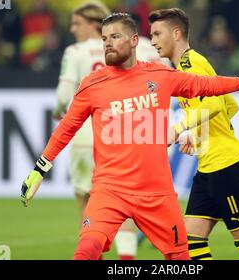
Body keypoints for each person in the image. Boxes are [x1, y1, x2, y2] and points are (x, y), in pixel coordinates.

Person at [21, 12, 239, 260]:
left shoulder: (159, 75)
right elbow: (66, 127)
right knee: (86, 250)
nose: (108, 42)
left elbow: (207, 86)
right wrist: (39, 169)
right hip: (110, 190)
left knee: (182, 259)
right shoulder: (92, 85)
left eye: (115, 36)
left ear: (133, 41)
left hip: (157, 194)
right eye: (105, 38)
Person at [149, 8, 239, 260]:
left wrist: (178, 128)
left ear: (176, 34)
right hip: (209, 169)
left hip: (226, 166)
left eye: (157, 34)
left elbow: (215, 105)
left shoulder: (190, 64)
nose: (152, 40)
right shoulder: (191, 64)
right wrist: (197, 135)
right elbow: (230, 105)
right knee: (192, 242)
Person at [52, 1, 161, 260]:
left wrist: (60, 110)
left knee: (88, 207)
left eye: (77, 23)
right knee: (125, 204)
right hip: (130, 137)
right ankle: (127, 260)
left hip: (86, 137)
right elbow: (163, 84)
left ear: (94, 23)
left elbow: (63, 95)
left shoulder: (75, 51)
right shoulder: (145, 46)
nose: (72, 29)